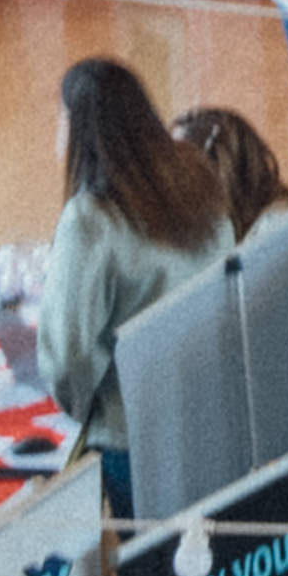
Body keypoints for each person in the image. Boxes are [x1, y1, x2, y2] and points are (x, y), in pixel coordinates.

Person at [31, 57, 238, 495]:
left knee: (148, 558)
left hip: (132, 436)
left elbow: (69, 359)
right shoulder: (197, 180)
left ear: (80, 127)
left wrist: (81, 407)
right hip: (209, 411)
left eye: (60, 119)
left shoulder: (90, 221)